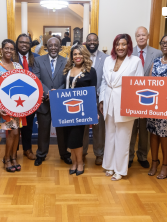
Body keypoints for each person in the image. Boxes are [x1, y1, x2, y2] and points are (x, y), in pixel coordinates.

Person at [99, 34, 144, 181]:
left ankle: (120, 170)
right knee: (110, 135)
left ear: (129, 46)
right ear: (114, 46)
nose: (120, 47)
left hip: (126, 103)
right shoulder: (108, 60)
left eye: (124, 44)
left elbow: (139, 84)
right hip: (109, 102)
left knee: (123, 138)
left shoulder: (135, 61)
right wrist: (101, 100)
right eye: (118, 44)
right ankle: (109, 166)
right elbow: (104, 82)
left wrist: (134, 105)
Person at [33, 37, 72, 166]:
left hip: (60, 102)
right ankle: (41, 154)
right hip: (44, 101)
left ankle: (64, 154)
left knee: (62, 131)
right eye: (51, 45)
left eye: (56, 45)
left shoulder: (66, 61)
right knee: (43, 130)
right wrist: (48, 92)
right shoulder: (38, 61)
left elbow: (67, 81)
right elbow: (36, 79)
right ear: (46, 47)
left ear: (60, 47)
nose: (53, 47)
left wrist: (57, 93)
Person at [147, 34, 167, 179]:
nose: (165, 45)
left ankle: (166, 165)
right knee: (153, 133)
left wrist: (156, 85)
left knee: (164, 135)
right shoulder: (155, 61)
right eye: (163, 42)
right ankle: (154, 162)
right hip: (152, 102)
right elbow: (148, 81)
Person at [129, 26, 162, 168]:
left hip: (148, 95)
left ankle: (142, 155)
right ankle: (129, 156)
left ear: (148, 36)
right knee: (130, 127)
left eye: (144, 35)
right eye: (138, 35)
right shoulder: (128, 53)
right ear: (135, 38)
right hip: (131, 95)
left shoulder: (158, 53)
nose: (141, 37)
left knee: (144, 129)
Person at [0, 39, 25, 172]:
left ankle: (14, 157)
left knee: (17, 133)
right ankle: (7, 159)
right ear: (2, 49)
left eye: (11, 49)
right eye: (6, 48)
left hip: (18, 105)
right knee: (11, 133)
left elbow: (23, 84)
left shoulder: (17, 66)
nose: (9, 51)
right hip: (4, 107)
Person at [63, 44, 97, 175]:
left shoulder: (90, 71)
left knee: (76, 138)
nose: (77, 56)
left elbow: (93, 92)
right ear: (72, 56)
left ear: (84, 55)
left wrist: (93, 112)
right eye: (75, 54)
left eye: (80, 54)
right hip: (67, 109)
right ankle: (74, 162)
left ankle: (80, 163)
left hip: (81, 110)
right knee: (70, 138)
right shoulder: (68, 70)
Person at [83, 33, 108, 165]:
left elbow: (106, 78)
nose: (92, 42)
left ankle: (99, 154)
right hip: (83, 99)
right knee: (83, 127)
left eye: (94, 40)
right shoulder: (80, 56)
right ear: (86, 42)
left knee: (99, 127)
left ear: (98, 42)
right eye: (89, 40)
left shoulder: (106, 58)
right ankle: (82, 152)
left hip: (99, 97)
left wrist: (101, 98)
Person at [13, 33, 40, 160]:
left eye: (27, 43)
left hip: (30, 99)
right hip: (13, 99)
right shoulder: (11, 58)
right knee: (14, 126)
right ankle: (12, 152)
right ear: (17, 44)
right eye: (21, 42)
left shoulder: (36, 58)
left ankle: (27, 149)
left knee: (28, 125)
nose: (24, 44)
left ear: (30, 45)